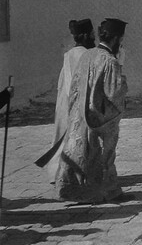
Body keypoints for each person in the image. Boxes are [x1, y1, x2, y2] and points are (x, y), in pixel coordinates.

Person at [55, 18, 129, 203]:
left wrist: (75, 112)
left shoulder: (88, 55)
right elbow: (114, 94)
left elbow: (74, 86)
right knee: (104, 156)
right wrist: (123, 83)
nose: (121, 43)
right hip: (101, 117)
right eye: (121, 39)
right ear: (115, 39)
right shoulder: (110, 61)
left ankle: (76, 191)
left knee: (85, 155)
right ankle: (109, 192)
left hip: (80, 114)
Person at [36, 19, 96, 182]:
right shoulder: (83, 54)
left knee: (62, 136)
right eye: (91, 34)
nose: (94, 37)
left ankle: (57, 172)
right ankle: (67, 174)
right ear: (84, 35)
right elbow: (80, 83)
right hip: (75, 103)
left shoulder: (70, 53)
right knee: (74, 138)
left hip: (65, 102)